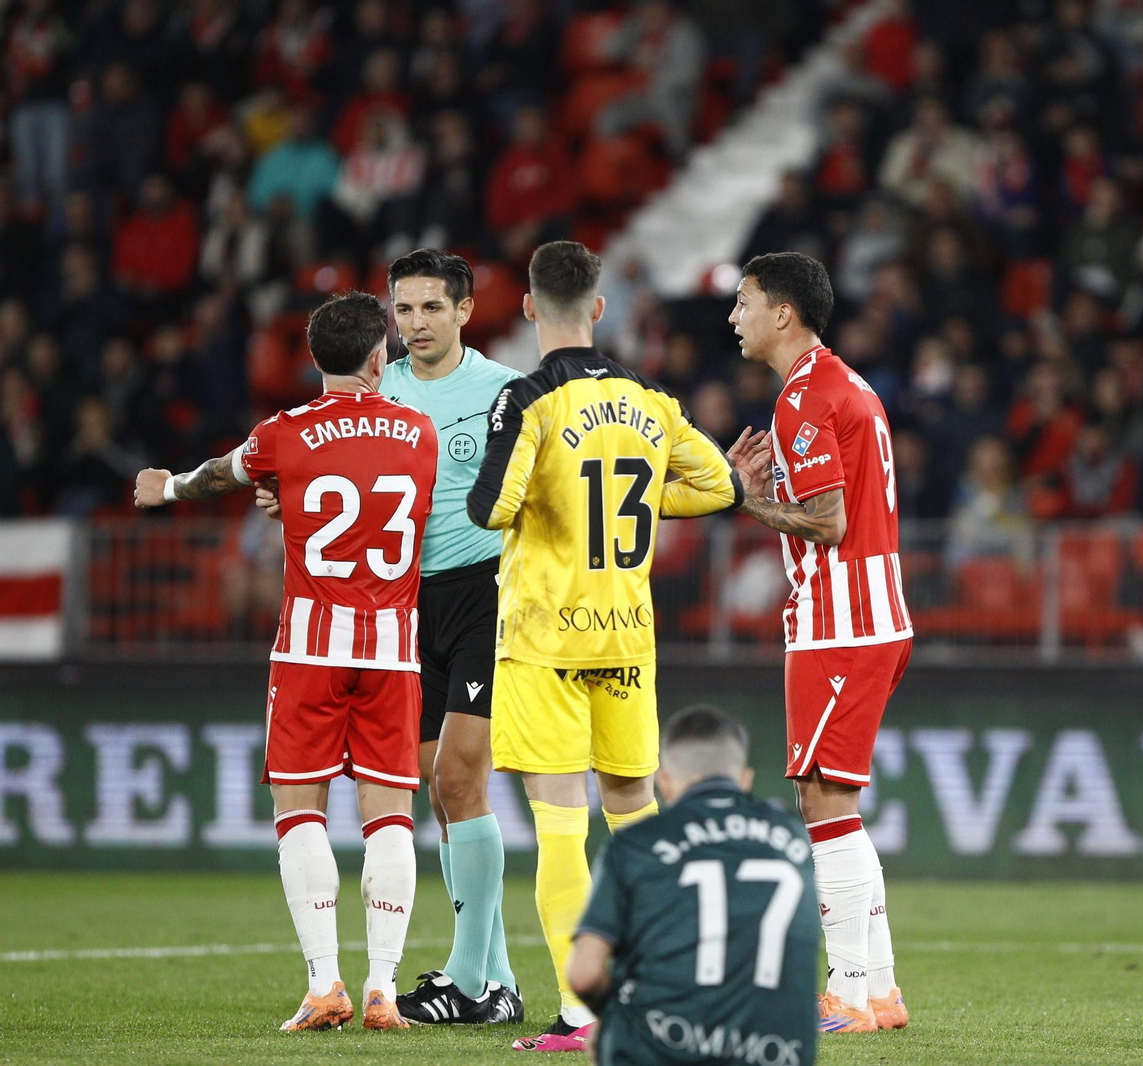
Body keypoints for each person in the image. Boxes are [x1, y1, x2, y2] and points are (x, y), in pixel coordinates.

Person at [133, 292, 438, 1032]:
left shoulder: (285, 435)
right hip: (393, 652)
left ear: (313, 360)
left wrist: (166, 486)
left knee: (299, 812)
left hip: (308, 648)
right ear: (380, 357)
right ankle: (383, 992)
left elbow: (222, 473)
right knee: (390, 816)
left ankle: (324, 985)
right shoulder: (420, 432)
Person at [467, 241, 743, 1052]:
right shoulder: (648, 396)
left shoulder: (528, 398)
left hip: (546, 637)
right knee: (635, 815)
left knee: (560, 830)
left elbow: (491, 507)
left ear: (527, 307)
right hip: (626, 634)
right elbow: (720, 483)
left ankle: (583, 1013)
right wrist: (635, 493)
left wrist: (547, 487)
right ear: (597, 307)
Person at [259, 250, 526, 1024]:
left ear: (465, 310)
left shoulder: (503, 391)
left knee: (461, 780)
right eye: (403, 311)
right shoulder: (379, 389)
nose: (415, 325)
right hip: (402, 610)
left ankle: (474, 981)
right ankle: (497, 974)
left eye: (430, 308)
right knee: (431, 792)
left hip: (482, 591)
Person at [724, 252, 914, 1034]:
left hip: (841, 619)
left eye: (743, 302)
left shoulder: (805, 398)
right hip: (870, 614)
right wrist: (769, 497)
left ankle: (846, 992)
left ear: (783, 314)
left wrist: (749, 502)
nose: (733, 318)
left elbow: (829, 524)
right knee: (835, 803)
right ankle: (881, 990)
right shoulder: (847, 384)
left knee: (821, 802)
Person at [568, 705, 820, 1066]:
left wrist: (611, 1019)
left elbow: (585, 974)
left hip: (662, 1048)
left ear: (665, 782)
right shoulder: (794, 840)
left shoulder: (637, 843)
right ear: (744, 780)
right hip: (778, 1053)